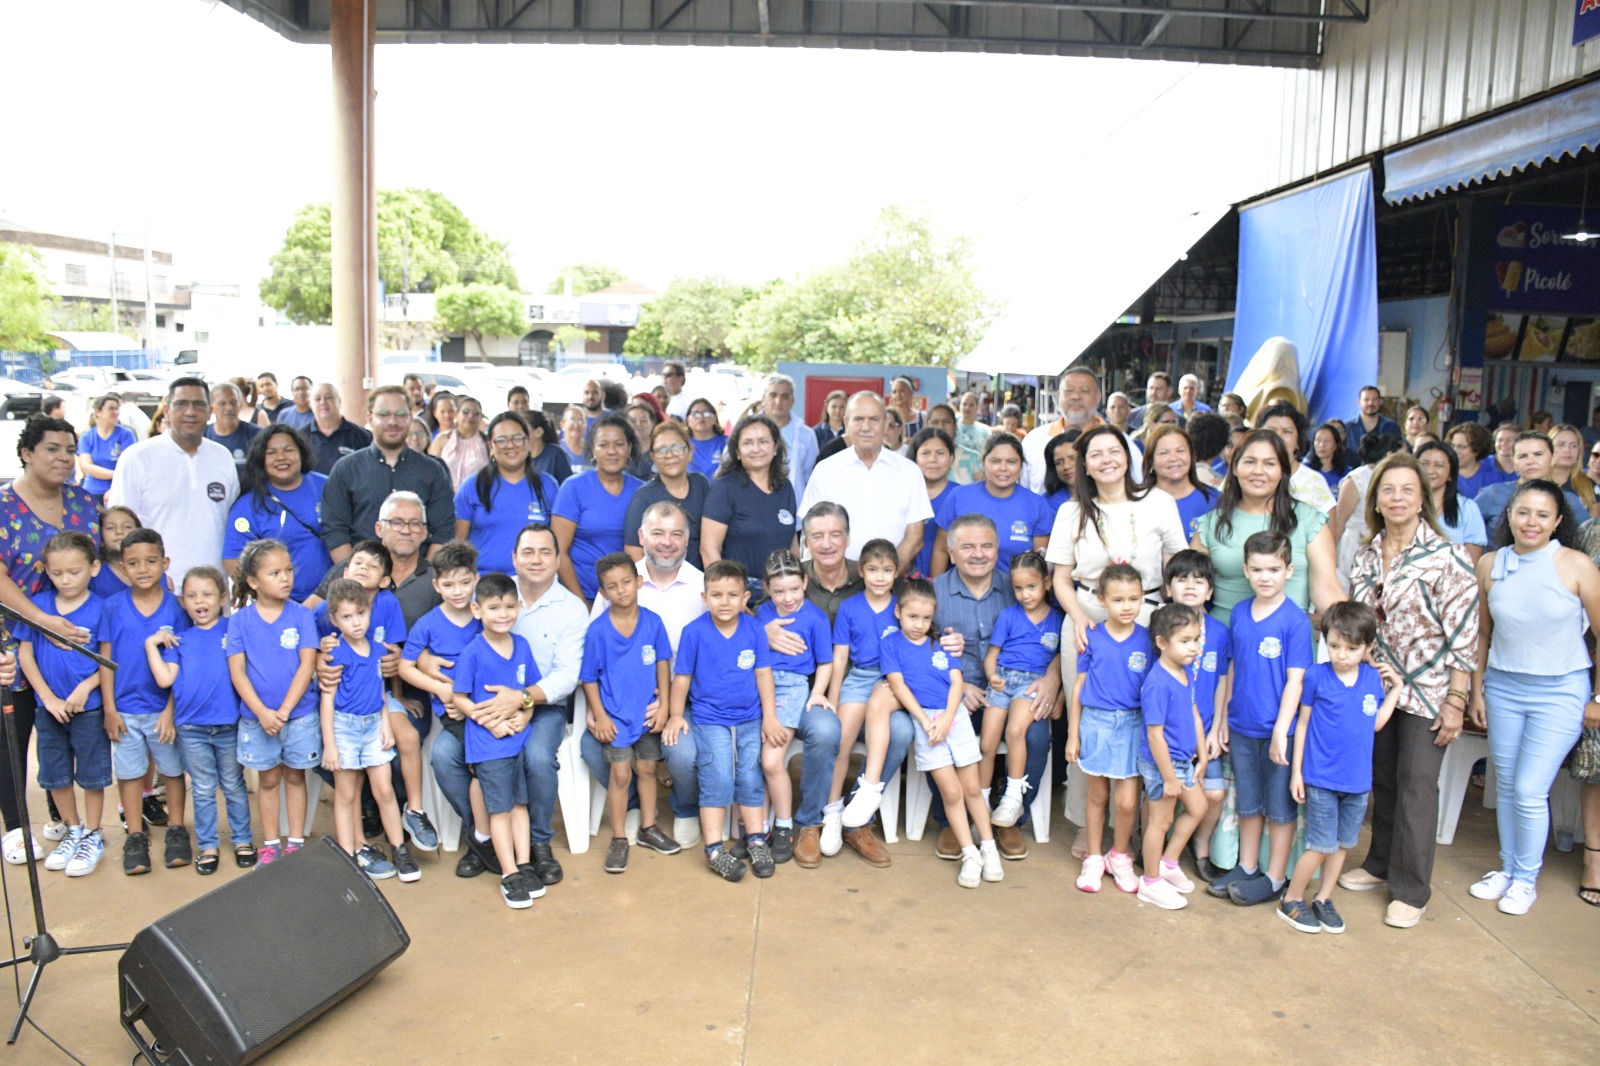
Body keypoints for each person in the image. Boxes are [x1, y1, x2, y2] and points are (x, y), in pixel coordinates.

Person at [1341, 453, 1480, 928]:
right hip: (1376, 687)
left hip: (1429, 691)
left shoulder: (1448, 557)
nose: (1396, 498)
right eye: (1387, 490)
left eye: (1407, 490)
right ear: (1375, 499)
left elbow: (1463, 634)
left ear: (1423, 498)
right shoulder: (1364, 555)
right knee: (1382, 781)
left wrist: (1457, 699)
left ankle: (1411, 889)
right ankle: (1379, 864)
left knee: (1417, 784)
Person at [1466, 479, 1600, 916]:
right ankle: (1507, 869)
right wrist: (1476, 688)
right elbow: (1483, 633)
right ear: (1509, 515)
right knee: (1506, 782)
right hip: (1504, 687)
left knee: (1528, 787)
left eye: (1543, 515)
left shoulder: (1576, 565)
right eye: (1524, 512)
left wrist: (1599, 697)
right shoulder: (1490, 564)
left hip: (1561, 690)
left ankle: (1526, 879)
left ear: (1558, 520)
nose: (1532, 522)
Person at [1202, 530, 1313, 908]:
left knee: (1280, 809)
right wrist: (1222, 720)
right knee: (1248, 803)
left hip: (1277, 733)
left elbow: (1296, 680)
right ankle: (1247, 867)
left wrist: (1283, 730)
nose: (1266, 577)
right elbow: (1231, 668)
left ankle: (1276, 877)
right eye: (1258, 569)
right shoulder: (1239, 613)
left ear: (1289, 570)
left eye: (1274, 569)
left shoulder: (1295, 622)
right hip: (1242, 726)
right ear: (1246, 571)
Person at [1278, 602, 1402, 934]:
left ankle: (1323, 898)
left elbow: (1375, 723)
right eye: (1334, 646)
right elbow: (1302, 725)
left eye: (1352, 648)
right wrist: (1297, 773)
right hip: (1321, 780)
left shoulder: (1371, 680)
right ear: (1325, 641)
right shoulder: (1316, 675)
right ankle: (1291, 898)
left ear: (1368, 647)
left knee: (1344, 845)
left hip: (1358, 783)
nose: (1342, 655)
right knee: (1320, 846)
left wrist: (1396, 691)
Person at [883, 576, 1003, 888]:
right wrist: (926, 723)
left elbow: (956, 683)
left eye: (925, 618)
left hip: (955, 719)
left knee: (972, 788)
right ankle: (969, 853)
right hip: (926, 725)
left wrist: (948, 718)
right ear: (898, 612)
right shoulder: (891, 644)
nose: (919, 624)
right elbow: (899, 687)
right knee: (951, 792)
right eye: (912, 617)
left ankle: (988, 848)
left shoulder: (942, 642)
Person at [667, 559, 776, 882]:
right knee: (718, 778)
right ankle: (714, 849)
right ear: (704, 598)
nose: (724, 602)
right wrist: (675, 714)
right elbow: (682, 678)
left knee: (750, 777)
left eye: (732, 595)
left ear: (746, 598)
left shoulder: (754, 629)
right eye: (716, 595)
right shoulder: (694, 633)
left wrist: (770, 716)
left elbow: (764, 675)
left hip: (750, 719)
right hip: (710, 719)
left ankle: (756, 839)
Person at [147, 566, 252, 874]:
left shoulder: (233, 631)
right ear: (183, 601)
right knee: (204, 788)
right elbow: (165, 679)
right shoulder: (179, 641)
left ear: (222, 597)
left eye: (207, 594)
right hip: (191, 729)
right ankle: (208, 845)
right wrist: (150, 645)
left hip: (229, 726)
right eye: (191, 595)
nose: (199, 601)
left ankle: (243, 839)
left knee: (233, 785)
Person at [98, 528, 191, 875]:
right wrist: (109, 709)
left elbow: (181, 664)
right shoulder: (112, 607)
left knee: (171, 770)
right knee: (130, 774)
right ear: (123, 567)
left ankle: (177, 830)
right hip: (124, 710)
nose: (142, 569)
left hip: (162, 711)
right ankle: (136, 836)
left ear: (165, 563)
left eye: (151, 561)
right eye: (133, 563)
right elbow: (105, 662)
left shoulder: (177, 608)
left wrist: (170, 710)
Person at [451, 571, 544, 909]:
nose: (502, 614)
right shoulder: (473, 652)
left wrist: (525, 714)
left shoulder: (522, 646)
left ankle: (523, 864)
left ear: (519, 607)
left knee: (520, 805)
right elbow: (459, 697)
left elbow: (529, 693)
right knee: (500, 810)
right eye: (493, 607)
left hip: (517, 741)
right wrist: (487, 721)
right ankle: (508, 874)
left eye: (508, 606)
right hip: (490, 747)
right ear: (477, 610)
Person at [20, 532, 109, 877]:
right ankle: (72, 830)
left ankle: (93, 834)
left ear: (94, 567)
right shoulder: (38, 606)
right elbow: (26, 655)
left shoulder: (101, 608)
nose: (66, 580)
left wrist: (86, 689)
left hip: (88, 709)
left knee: (92, 774)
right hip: (50, 709)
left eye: (74, 571)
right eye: (57, 573)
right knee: (55, 773)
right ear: (47, 571)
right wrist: (47, 697)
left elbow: (108, 660)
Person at [227, 538, 320, 867]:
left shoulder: (301, 615)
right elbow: (237, 671)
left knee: (295, 777)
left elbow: (307, 665)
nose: (286, 578)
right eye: (275, 572)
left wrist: (283, 711)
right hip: (257, 719)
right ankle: (269, 844)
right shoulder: (239, 621)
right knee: (267, 780)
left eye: (289, 570)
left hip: (299, 717)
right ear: (253, 582)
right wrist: (262, 712)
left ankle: (295, 842)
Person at [402, 540, 494, 875]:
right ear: (436, 585)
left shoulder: (485, 615)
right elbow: (405, 666)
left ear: (476, 579)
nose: (458, 591)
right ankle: (480, 834)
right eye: (449, 584)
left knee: (491, 764)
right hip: (455, 715)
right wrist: (443, 689)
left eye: (465, 582)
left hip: (488, 708)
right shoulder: (428, 623)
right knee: (457, 761)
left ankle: (494, 834)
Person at [582, 553, 676, 874]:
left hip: (647, 715)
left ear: (638, 582)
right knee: (621, 775)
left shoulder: (653, 622)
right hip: (615, 717)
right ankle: (619, 837)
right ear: (603, 592)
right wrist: (600, 715)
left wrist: (664, 704)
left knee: (648, 769)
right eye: (612, 586)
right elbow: (589, 677)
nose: (621, 590)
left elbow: (663, 662)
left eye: (626, 582)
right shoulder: (597, 631)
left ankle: (648, 828)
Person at [1191, 430, 1342, 627]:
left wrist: (1354, 635)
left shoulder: (1309, 521)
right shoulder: (1211, 524)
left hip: (1290, 644)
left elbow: (1327, 590)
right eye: (1250, 462)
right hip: (1224, 643)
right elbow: (1188, 586)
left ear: (1282, 471)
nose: (1258, 471)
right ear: (1234, 468)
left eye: (1269, 463)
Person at [319, 578, 417, 882]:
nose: (356, 622)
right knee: (346, 795)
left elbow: (380, 692)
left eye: (360, 614)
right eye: (346, 617)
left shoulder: (377, 649)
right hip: (345, 728)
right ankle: (348, 857)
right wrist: (330, 745)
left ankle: (399, 849)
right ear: (334, 620)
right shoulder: (336, 654)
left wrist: (386, 725)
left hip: (375, 726)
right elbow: (327, 702)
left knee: (384, 790)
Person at [1066, 563, 1151, 895]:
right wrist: (1073, 735)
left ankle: (1120, 855)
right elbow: (1078, 689)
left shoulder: (1148, 640)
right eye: (1118, 600)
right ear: (1102, 599)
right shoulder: (1092, 637)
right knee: (1098, 794)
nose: (1126, 606)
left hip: (1132, 724)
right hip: (1097, 723)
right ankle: (1095, 856)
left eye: (1134, 598)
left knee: (1128, 801)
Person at [827, 539, 911, 865]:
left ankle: (863, 800)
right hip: (859, 678)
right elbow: (840, 657)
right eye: (873, 570)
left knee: (896, 735)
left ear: (896, 573)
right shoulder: (849, 607)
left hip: (892, 681)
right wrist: (834, 699)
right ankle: (833, 810)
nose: (879, 577)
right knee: (842, 738)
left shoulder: (901, 607)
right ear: (860, 571)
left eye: (887, 570)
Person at [108, 378, 239, 584]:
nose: (190, 412)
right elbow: (118, 533)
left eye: (198, 405)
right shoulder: (136, 458)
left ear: (210, 411)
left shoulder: (222, 457)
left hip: (213, 592)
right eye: (181, 404)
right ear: (166, 410)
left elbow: (231, 523)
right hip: (158, 591)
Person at [752, 550, 836, 867]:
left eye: (794, 589)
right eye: (778, 591)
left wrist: (816, 693)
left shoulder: (814, 618)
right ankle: (756, 830)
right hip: (757, 685)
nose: (787, 598)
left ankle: (784, 825)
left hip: (790, 686)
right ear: (766, 588)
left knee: (772, 760)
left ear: (805, 581)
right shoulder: (760, 613)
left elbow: (826, 662)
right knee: (752, 757)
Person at [321, 384, 456, 563]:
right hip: (360, 578)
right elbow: (335, 531)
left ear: (410, 418)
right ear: (369, 418)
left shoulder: (433, 470)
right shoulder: (346, 469)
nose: (392, 422)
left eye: (400, 415)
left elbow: (443, 532)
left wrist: (424, 580)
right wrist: (355, 576)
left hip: (420, 578)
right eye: (383, 415)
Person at [1134, 602, 1210, 911]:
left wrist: (1202, 755)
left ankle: (1168, 862)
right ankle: (1150, 883)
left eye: (1196, 639)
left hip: (1182, 761)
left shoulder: (1185, 671)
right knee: (1160, 823)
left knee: (1198, 806)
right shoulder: (1157, 683)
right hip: (1161, 765)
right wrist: (1168, 778)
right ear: (1162, 643)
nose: (1193, 647)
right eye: (1185, 641)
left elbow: (1193, 713)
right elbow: (1155, 735)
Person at [800, 393, 933, 569]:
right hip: (837, 585)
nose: (866, 427)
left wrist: (885, 575)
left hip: (893, 581)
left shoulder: (909, 472)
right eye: (858, 419)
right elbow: (810, 531)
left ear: (885, 424)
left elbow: (914, 537)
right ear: (846, 423)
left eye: (874, 419)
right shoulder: (825, 470)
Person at [981, 553, 1063, 828]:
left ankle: (1012, 797)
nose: (1025, 594)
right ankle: (980, 801)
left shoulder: (1058, 620)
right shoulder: (1008, 616)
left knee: (1015, 731)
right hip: (1003, 680)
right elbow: (992, 655)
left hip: (1031, 683)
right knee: (987, 743)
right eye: (1018, 588)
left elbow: (1064, 660)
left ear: (1047, 583)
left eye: (1032, 587)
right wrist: (991, 675)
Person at [1162, 551, 1230, 881]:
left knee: (1214, 793)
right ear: (1168, 588)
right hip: (1170, 734)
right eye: (1182, 579)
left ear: (1211, 591)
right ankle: (1156, 847)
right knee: (1161, 793)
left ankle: (1199, 846)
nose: (1190, 586)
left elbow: (1222, 682)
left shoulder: (1218, 632)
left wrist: (1218, 728)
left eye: (1199, 580)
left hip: (1206, 731)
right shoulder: (1159, 628)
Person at [225, 425, 332, 601]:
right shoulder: (248, 505)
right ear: (261, 459)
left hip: (333, 600)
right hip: (282, 606)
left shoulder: (327, 486)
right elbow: (232, 560)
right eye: (271, 452)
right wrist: (273, 600)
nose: (281, 457)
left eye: (288, 450)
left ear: (301, 453)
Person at [929, 433, 1051, 576]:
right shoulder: (959, 496)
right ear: (982, 462)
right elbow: (941, 550)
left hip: (1016, 594)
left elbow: (1039, 563)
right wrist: (935, 591)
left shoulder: (1036, 505)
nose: (1003, 468)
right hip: (962, 593)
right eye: (995, 461)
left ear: (1021, 465)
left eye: (1011, 462)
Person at [701, 413, 799, 590]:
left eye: (763, 441)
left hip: (783, 595)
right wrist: (730, 595)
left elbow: (792, 545)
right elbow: (709, 549)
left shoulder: (785, 487)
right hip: (741, 593)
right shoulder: (724, 488)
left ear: (775, 447)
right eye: (747, 443)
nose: (756, 449)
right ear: (737, 451)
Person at [552, 415, 644, 605]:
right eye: (603, 445)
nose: (612, 451)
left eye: (619, 444)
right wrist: (581, 604)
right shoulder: (573, 488)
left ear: (629, 449)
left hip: (631, 599)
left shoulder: (642, 491)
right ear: (593, 450)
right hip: (581, 596)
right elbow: (559, 552)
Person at [455, 411, 558, 576]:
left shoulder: (547, 486)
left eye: (517, 438)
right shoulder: (472, 486)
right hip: (484, 585)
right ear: (491, 446)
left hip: (535, 582)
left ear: (528, 441)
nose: (510, 445)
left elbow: (557, 544)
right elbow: (458, 545)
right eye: (501, 440)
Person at [1022, 366, 1142, 493]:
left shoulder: (1121, 442)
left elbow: (1138, 486)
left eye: (1084, 391)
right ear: (1058, 396)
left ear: (1098, 397)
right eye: (1069, 391)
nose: (1076, 396)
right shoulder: (1034, 441)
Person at [1474, 431, 1587, 547]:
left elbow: (1588, 537)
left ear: (1553, 458)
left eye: (1538, 454)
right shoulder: (1493, 493)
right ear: (1514, 462)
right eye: (1522, 456)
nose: (1531, 461)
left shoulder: (1569, 500)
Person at [1257, 401, 1335, 515]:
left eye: (1287, 432)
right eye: (1271, 431)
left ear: (1298, 441)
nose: (1279, 437)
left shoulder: (1314, 483)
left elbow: (1330, 530)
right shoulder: (1247, 475)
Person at [1142, 424, 1218, 541]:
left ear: (1191, 456)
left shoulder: (1214, 500)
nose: (1173, 458)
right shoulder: (1137, 501)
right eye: (1164, 453)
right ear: (1151, 461)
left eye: (1180, 451)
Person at [1415, 442, 1486, 561]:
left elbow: (1471, 563)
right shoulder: (1402, 504)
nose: (1430, 470)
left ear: (1450, 474)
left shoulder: (1467, 508)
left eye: (1439, 465)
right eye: (1424, 464)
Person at [761, 374, 817, 506]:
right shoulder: (745, 431)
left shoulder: (806, 435)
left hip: (793, 507)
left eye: (785, 396)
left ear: (792, 401)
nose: (778, 401)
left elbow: (809, 476)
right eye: (773, 395)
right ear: (763, 399)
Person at [909, 428, 956, 578]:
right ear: (915, 458)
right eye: (925, 453)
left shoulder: (960, 496)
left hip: (948, 585)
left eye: (940, 453)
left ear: (951, 458)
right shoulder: (902, 495)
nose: (933, 459)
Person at [77, 394, 136, 502]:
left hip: (119, 488)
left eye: (117, 409)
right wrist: (116, 474)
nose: (115, 412)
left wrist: (114, 487)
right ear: (98, 412)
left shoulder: (126, 434)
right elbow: (86, 466)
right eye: (111, 409)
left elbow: (130, 465)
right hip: (93, 489)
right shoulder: (87, 436)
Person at [430, 395, 489, 491]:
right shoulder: (442, 439)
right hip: (445, 499)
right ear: (457, 414)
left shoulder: (488, 442)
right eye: (465, 412)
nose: (470, 416)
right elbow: (430, 471)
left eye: (476, 413)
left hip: (478, 500)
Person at [204, 381, 260, 472]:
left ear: (240, 406)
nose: (229, 408)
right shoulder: (202, 436)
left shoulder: (256, 435)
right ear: (211, 408)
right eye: (222, 403)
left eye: (233, 403)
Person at [1449, 422, 1511, 499]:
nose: (1455, 451)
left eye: (1462, 447)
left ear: (1477, 450)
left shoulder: (1493, 476)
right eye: (1452, 445)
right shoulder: (1445, 473)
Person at [1549, 423, 1598, 518]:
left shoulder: (1590, 486)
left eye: (1574, 445)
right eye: (1561, 445)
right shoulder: (1536, 483)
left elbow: (1593, 529)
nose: (1568, 450)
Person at [1344, 385, 1400, 463]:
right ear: (1359, 402)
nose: (1370, 403)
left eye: (1374, 399)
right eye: (1366, 399)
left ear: (1380, 402)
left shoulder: (1391, 427)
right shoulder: (1348, 428)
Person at [519, 408, 572, 485]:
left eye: (523, 428)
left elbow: (567, 487)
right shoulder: (518, 456)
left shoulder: (555, 454)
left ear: (538, 432)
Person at [951, 392, 989, 485]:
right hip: (954, 474)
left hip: (977, 475)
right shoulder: (952, 427)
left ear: (977, 407)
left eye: (971, 405)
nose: (967, 407)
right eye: (964, 404)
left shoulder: (984, 430)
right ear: (959, 406)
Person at [1306, 421, 1349, 491]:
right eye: (1318, 440)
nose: (1321, 445)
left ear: (1336, 445)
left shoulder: (1346, 474)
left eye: (1327, 441)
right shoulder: (1304, 470)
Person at [558, 405, 589, 474]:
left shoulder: (592, 450)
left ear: (586, 426)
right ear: (562, 425)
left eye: (581, 421)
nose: (576, 425)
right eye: (572, 420)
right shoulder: (556, 450)